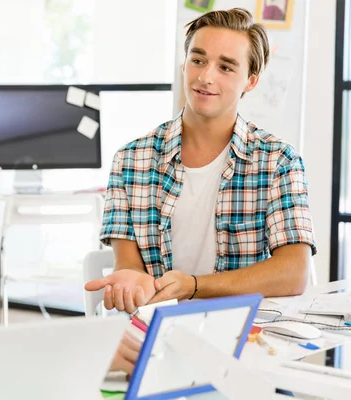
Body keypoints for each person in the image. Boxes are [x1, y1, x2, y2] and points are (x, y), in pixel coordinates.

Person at [85, 8, 316, 375]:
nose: (205, 77)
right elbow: (129, 265)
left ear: (250, 81)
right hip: (158, 341)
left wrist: (194, 287)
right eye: (198, 59)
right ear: (185, 63)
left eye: (226, 67)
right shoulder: (131, 159)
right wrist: (132, 281)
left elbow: (294, 271)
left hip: (248, 348)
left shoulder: (278, 161)